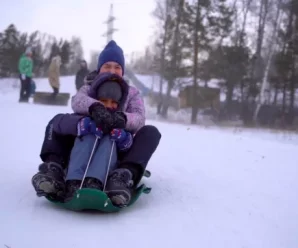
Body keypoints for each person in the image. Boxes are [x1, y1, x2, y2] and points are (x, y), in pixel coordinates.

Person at [31, 40, 161, 206]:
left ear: (123, 70)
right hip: (86, 139)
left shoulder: (132, 93)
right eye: (107, 66)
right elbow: (77, 101)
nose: (112, 70)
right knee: (57, 121)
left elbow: (139, 118)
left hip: (119, 143)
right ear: (99, 68)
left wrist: (122, 119)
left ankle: (122, 176)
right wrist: (94, 107)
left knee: (150, 132)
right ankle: (54, 168)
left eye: (117, 67)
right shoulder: (89, 88)